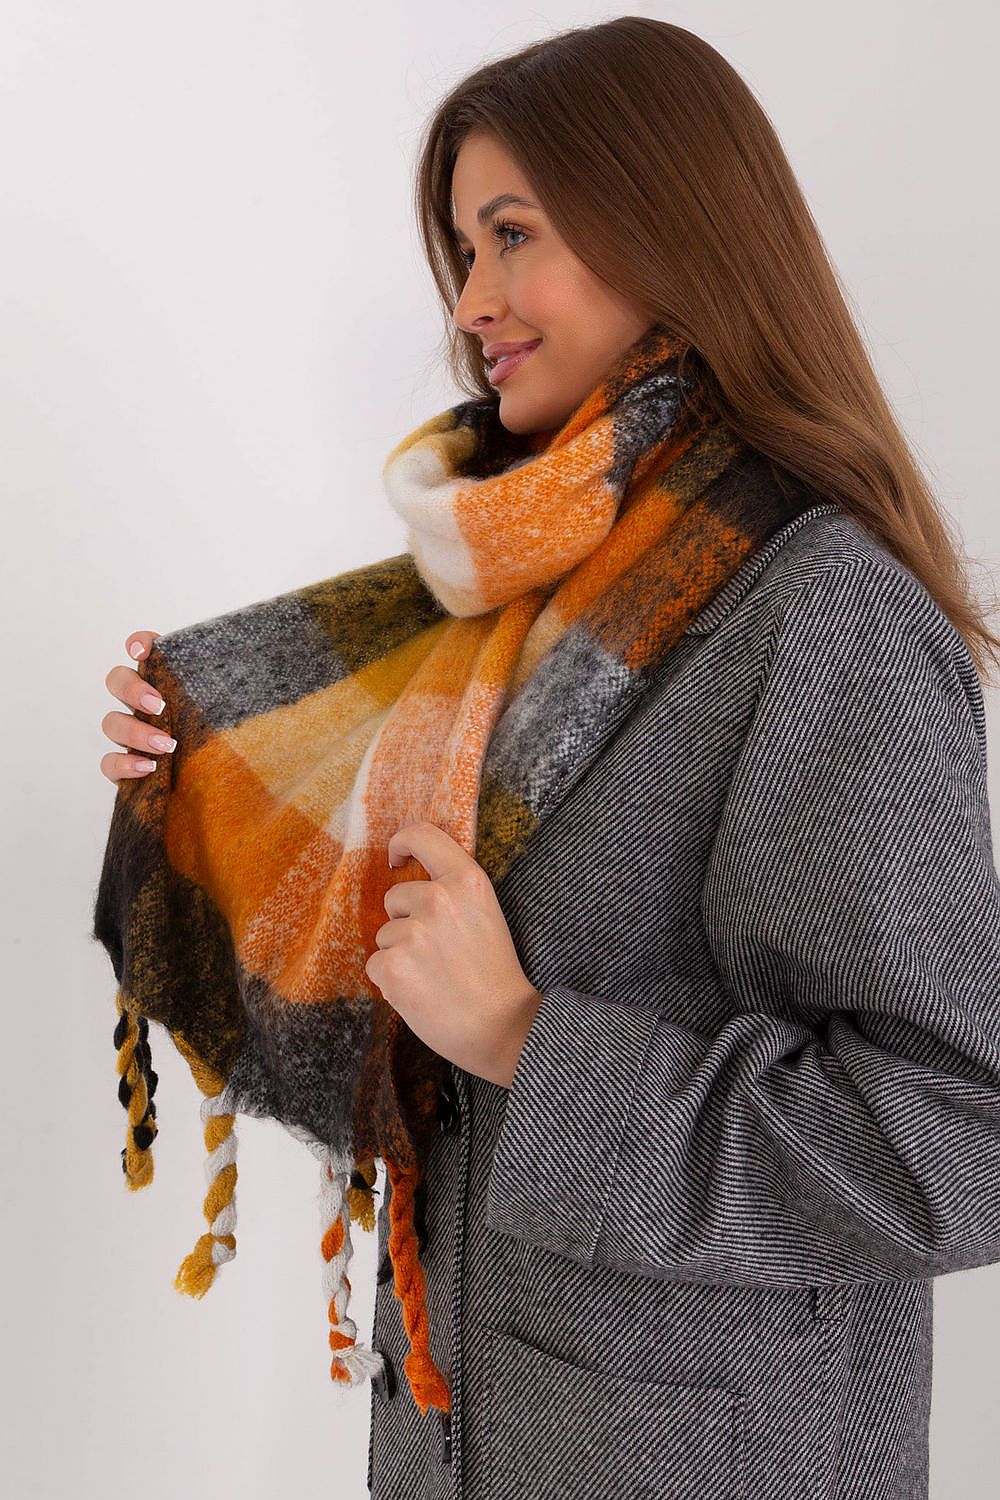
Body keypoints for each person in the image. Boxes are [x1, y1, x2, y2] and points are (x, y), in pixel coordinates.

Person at [96, 17, 1000, 1500]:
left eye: (512, 235)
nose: (471, 302)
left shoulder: (819, 610)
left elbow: (958, 1133)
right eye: (464, 249)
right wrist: (217, 765)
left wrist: (529, 1043)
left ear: (669, 228)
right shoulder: (512, 612)